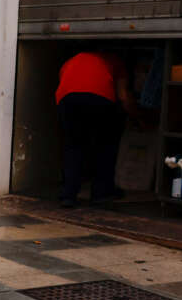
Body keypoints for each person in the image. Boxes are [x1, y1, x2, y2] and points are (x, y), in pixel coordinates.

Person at [55, 50, 137, 208]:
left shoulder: (71, 60)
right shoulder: (116, 61)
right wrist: (139, 118)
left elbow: (66, 86)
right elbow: (124, 97)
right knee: (104, 145)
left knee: (73, 146)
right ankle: (101, 193)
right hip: (99, 98)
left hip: (67, 99)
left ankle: (68, 195)